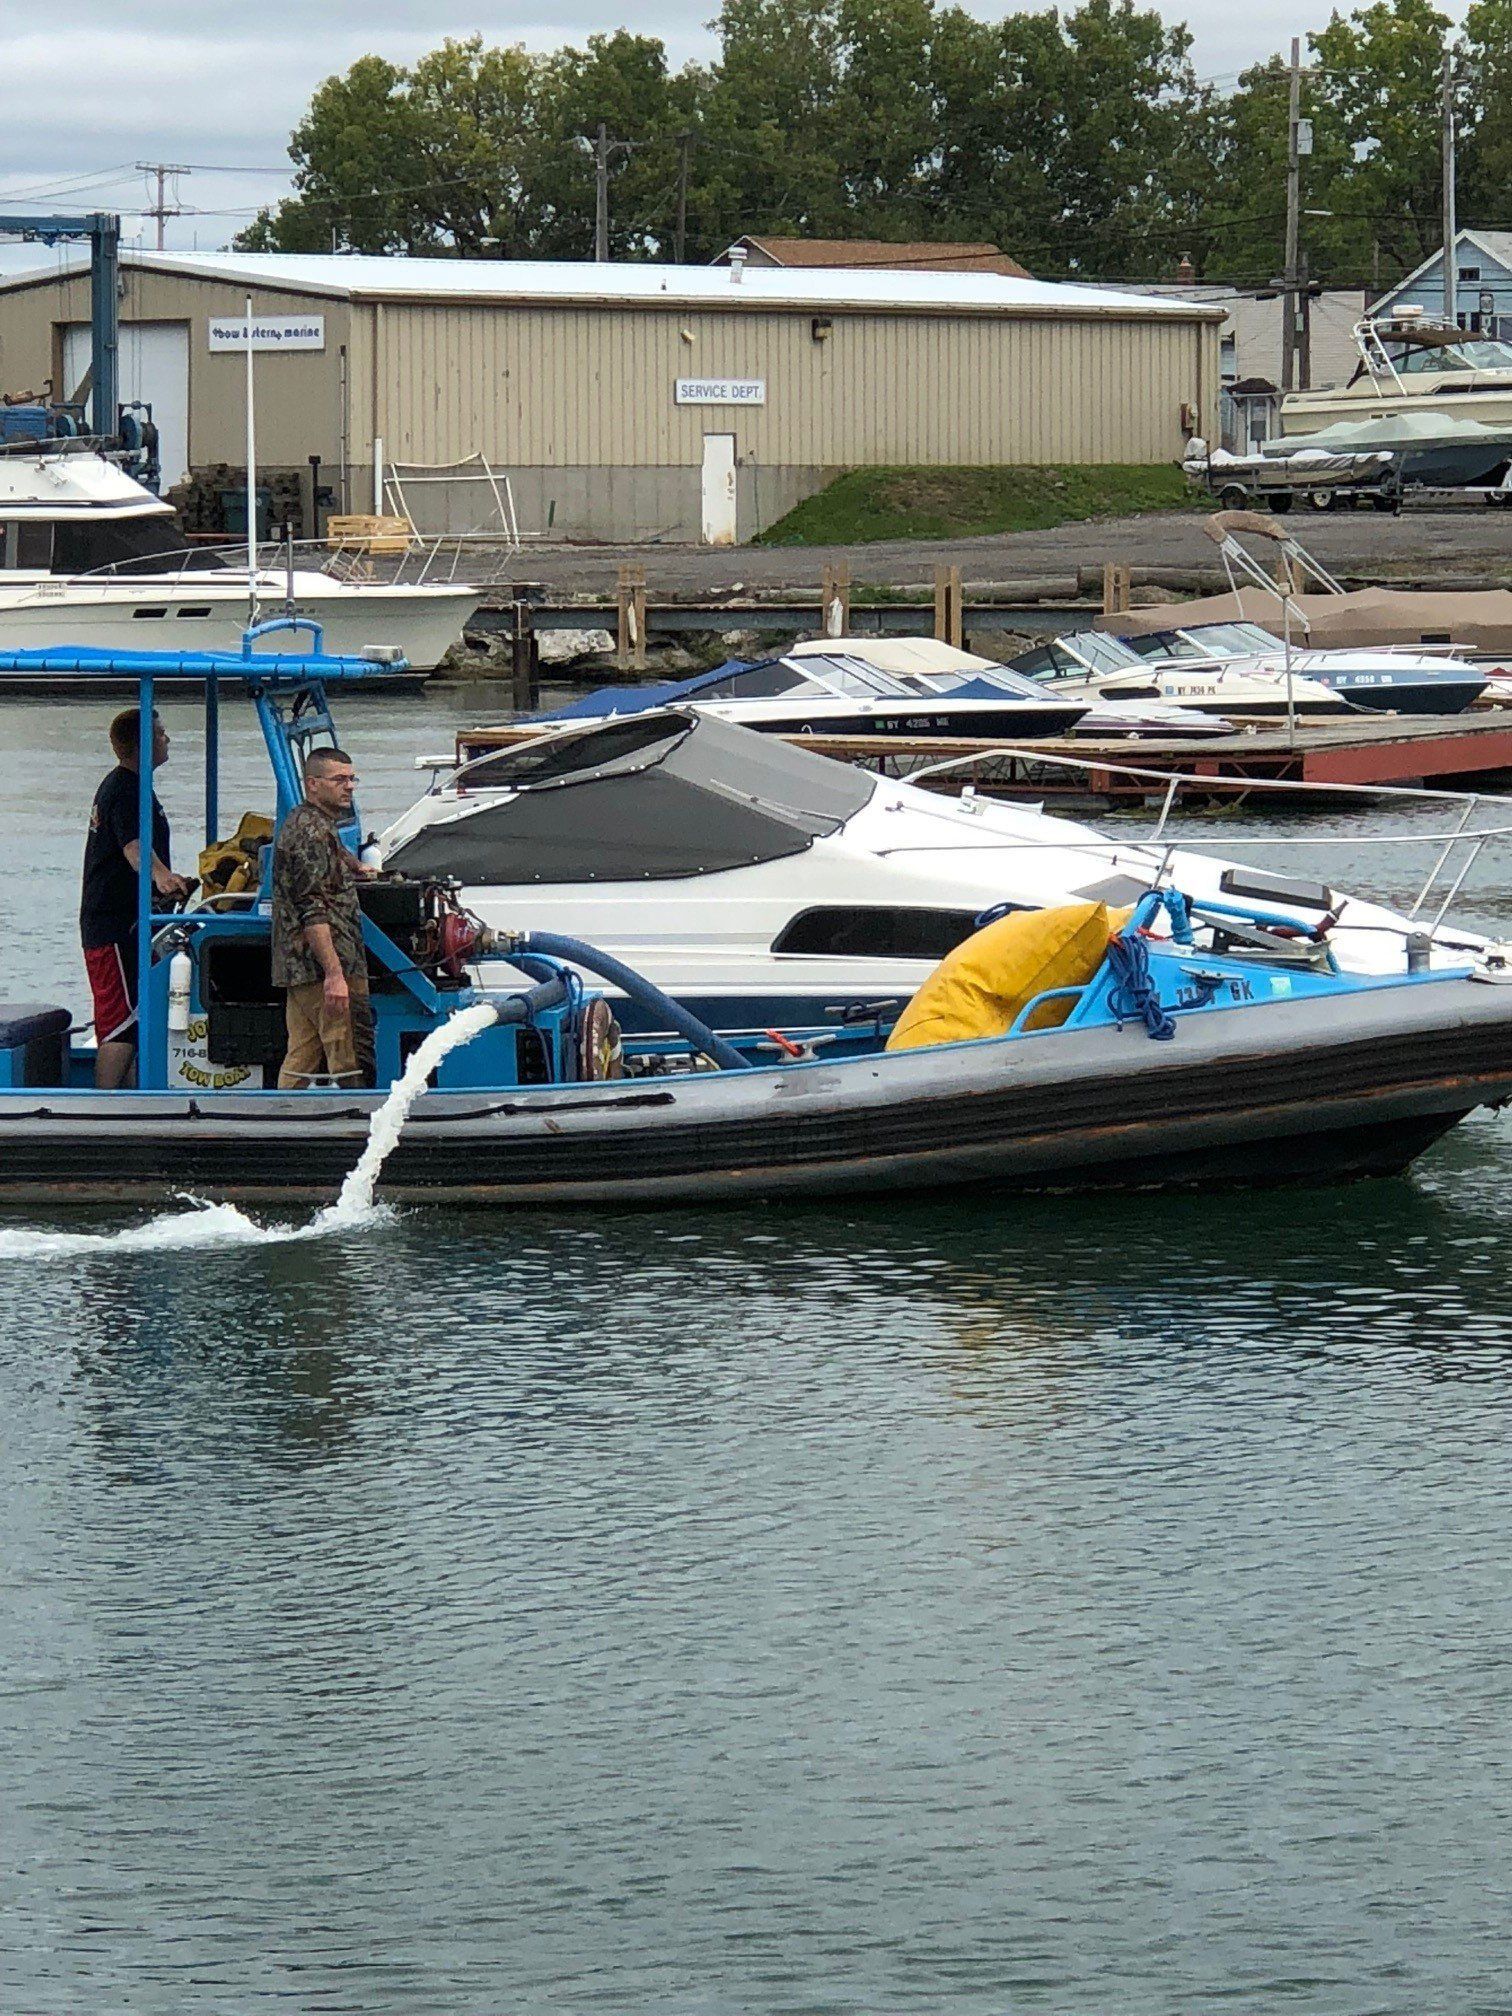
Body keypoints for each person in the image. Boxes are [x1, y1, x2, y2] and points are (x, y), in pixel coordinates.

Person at [81, 708, 192, 1089]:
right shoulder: (124, 790)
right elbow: (134, 847)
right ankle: (102, 1108)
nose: (167, 739)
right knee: (120, 1023)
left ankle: (129, 1101)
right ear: (141, 744)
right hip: (113, 925)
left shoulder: (136, 787)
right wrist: (162, 877)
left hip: (132, 920)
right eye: (160, 734)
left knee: (136, 1018)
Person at [272, 746, 376, 1089]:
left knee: (302, 1056)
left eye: (352, 778)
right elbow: (312, 909)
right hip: (324, 968)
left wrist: (355, 865)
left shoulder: (310, 822)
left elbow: (330, 852)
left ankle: (282, 1115)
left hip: (299, 967)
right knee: (350, 1056)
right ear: (313, 784)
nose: (349, 786)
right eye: (339, 780)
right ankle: (362, 1116)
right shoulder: (311, 833)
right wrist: (334, 975)